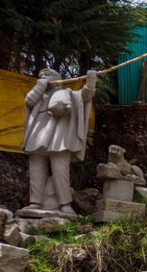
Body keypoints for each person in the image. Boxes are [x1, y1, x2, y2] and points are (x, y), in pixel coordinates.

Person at [21, 68, 97, 214]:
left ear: (57, 78)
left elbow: (85, 96)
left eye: (47, 75)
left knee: (60, 171)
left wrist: (91, 81)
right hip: (37, 134)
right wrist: (40, 85)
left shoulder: (69, 94)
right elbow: (29, 100)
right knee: (36, 171)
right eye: (41, 75)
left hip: (60, 137)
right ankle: (35, 202)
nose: (43, 76)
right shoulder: (38, 95)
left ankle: (65, 204)